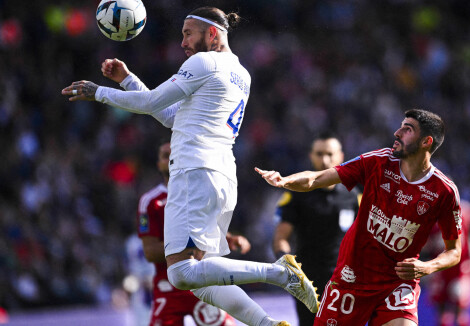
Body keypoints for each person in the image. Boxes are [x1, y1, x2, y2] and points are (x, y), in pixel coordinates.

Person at [62, 7, 319, 326]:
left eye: (188, 33)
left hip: (194, 171)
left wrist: (97, 92)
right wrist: (128, 80)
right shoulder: (241, 73)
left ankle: (279, 273)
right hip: (222, 176)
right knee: (202, 279)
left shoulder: (203, 61)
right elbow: (174, 118)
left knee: (181, 273)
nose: (182, 42)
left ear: (212, 34)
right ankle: (268, 324)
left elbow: (152, 102)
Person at [256, 109, 463, 326]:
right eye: (401, 126)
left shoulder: (444, 191)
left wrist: (428, 266)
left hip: (397, 283)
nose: (397, 132)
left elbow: (454, 251)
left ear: (426, 142)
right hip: (351, 278)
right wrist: (284, 180)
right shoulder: (377, 162)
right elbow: (315, 179)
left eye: (407, 129)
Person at [137, 142, 251, 326]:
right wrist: (195, 244)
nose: (171, 159)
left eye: (175, 154)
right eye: (165, 156)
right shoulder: (151, 202)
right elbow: (150, 252)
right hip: (168, 289)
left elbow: (210, 230)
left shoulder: (202, 193)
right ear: (159, 164)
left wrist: (228, 238)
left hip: (204, 284)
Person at [271, 133, 360, 326]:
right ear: (311, 156)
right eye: (319, 154)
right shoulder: (296, 195)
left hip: (344, 280)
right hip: (307, 283)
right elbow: (281, 237)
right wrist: (287, 264)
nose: (324, 159)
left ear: (341, 156)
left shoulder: (354, 196)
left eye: (329, 153)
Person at [426, 199, 470, 326]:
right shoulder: (430, 213)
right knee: (441, 313)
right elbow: (423, 241)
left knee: (460, 307)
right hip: (439, 268)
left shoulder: (466, 209)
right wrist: (435, 244)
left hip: (460, 267)